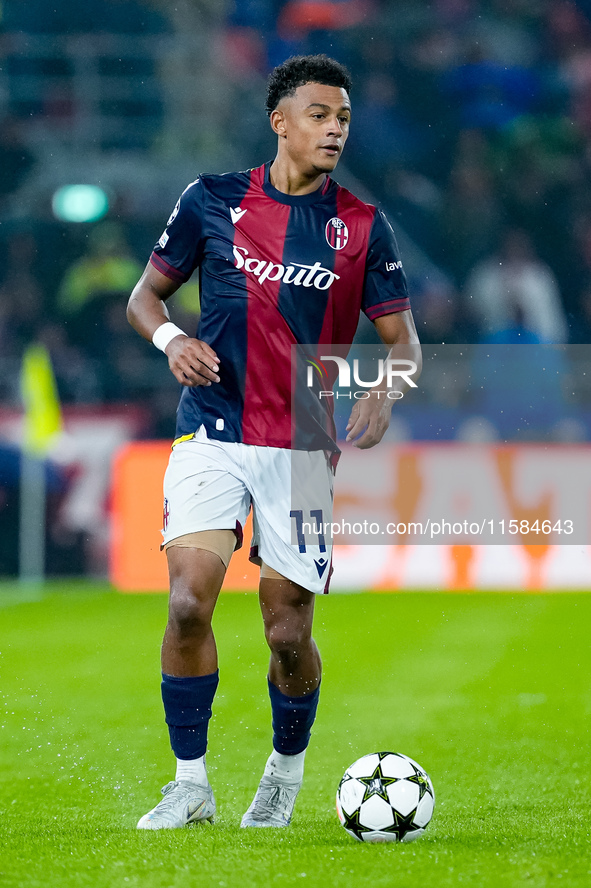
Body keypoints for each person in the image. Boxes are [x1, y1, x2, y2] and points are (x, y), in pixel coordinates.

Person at [127, 54, 420, 831]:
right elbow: (143, 296)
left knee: (287, 631)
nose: (334, 129)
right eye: (320, 115)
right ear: (279, 121)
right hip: (211, 427)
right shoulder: (211, 199)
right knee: (189, 600)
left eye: (344, 118)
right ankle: (190, 785)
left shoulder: (359, 225)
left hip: (303, 438)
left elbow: (403, 341)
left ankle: (284, 773)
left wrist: (385, 391)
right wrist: (168, 340)